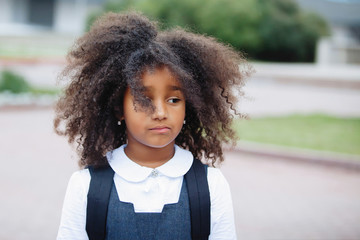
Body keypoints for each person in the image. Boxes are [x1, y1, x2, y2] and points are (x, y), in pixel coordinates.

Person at [55, 11, 250, 240]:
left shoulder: (210, 186)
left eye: (174, 100)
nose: (160, 113)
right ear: (119, 109)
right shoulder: (86, 187)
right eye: (144, 99)